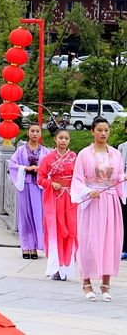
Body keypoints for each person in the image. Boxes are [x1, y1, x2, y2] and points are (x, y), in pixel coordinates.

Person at [71, 116, 126, 302]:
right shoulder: (84, 154)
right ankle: (86, 281)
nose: (103, 133)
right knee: (89, 242)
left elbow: (118, 179)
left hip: (110, 203)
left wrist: (123, 179)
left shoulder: (116, 155)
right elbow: (77, 179)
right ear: (92, 132)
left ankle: (105, 283)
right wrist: (88, 191)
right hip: (91, 203)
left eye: (106, 130)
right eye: (100, 130)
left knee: (110, 242)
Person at [37, 129, 77, 280]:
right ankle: (55, 268)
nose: (63, 141)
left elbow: (80, 177)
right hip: (54, 198)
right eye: (61, 138)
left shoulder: (74, 157)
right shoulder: (48, 158)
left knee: (70, 230)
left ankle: (67, 268)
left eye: (66, 138)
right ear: (55, 139)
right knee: (55, 231)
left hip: (71, 198)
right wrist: (51, 183)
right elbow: (40, 178)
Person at [9, 123, 48, 259]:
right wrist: (26, 168)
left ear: (41, 134)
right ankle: (26, 247)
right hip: (25, 186)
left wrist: (40, 170)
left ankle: (35, 246)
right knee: (25, 216)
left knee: (37, 215)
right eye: (32, 131)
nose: (35, 133)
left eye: (38, 131)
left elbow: (50, 167)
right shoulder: (20, 150)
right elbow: (12, 165)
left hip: (38, 187)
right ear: (28, 133)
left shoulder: (45, 151)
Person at [117, 120, 127, 260]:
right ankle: (124, 248)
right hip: (124, 187)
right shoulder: (121, 147)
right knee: (124, 218)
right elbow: (118, 168)